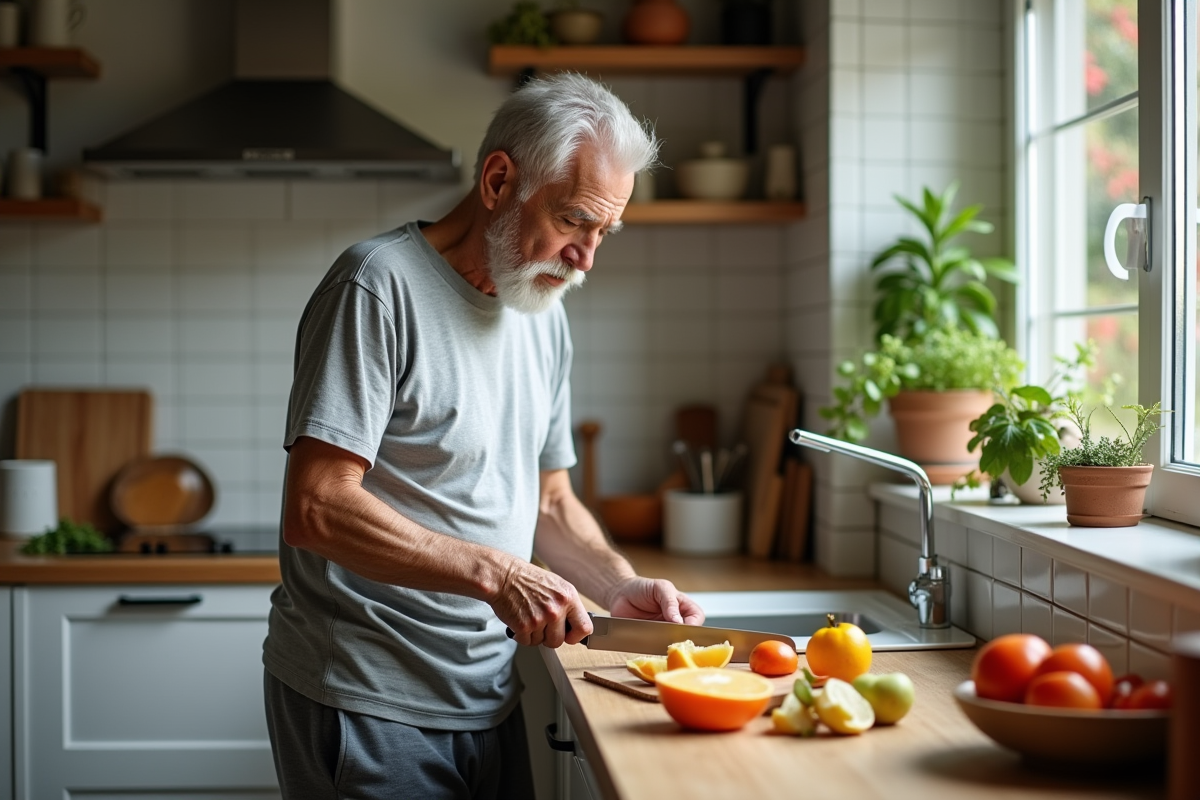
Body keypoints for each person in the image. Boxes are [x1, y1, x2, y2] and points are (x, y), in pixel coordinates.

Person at [261, 73, 706, 799]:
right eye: (573, 221)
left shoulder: (543, 312)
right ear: (499, 180)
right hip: (367, 700)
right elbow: (315, 507)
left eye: (603, 232)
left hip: (488, 693)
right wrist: (499, 574)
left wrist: (617, 586)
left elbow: (549, 500)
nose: (586, 256)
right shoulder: (377, 287)